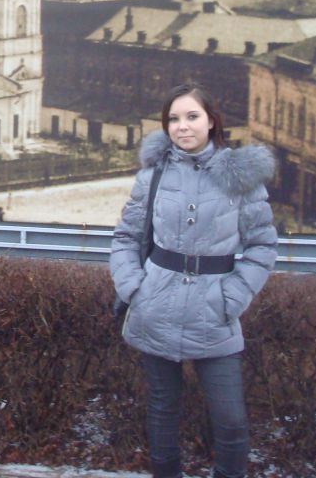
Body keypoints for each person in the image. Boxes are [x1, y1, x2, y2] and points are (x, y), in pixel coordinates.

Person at [110, 83, 277, 478]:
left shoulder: (241, 178)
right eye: (173, 119)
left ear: (212, 121)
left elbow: (262, 246)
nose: (182, 126)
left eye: (191, 116)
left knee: (231, 420)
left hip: (213, 311)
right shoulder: (152, 175)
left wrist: (232, 298)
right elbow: (127, 237)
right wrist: (135, 288)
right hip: (157, 305)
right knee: (162, 411)